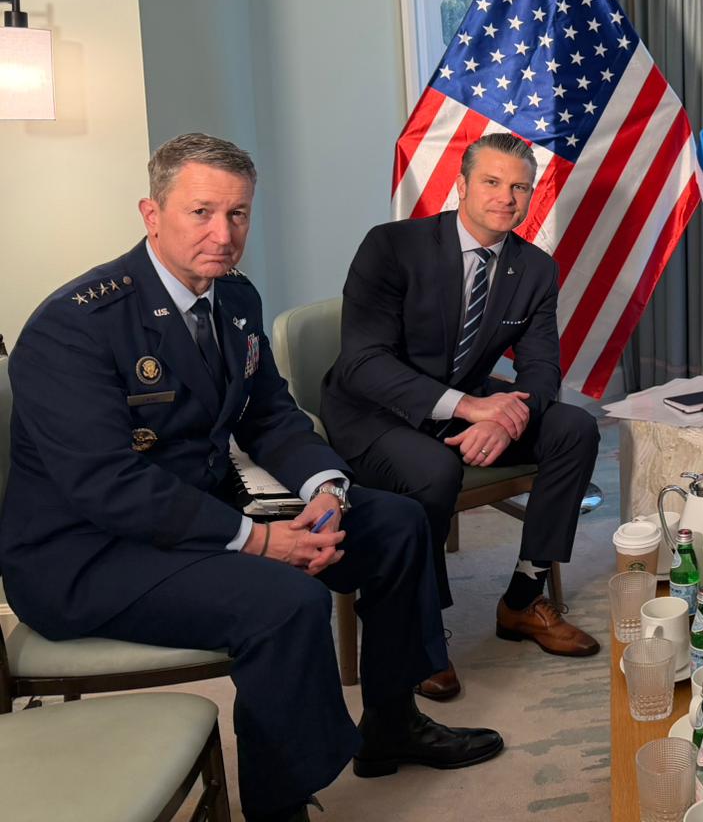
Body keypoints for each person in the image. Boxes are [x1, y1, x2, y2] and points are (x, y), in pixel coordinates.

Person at [0, 134, 502, 822]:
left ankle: (392, 722)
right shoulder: (76, 325)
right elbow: (108, 484)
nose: (223, 233)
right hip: (86, 555)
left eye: (237, 214)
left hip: (193, 517)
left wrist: (324, 489)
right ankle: (278, 805)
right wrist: (258, 541)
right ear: (151, 213)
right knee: (284, 600)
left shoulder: (233, 298)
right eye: (201, 212)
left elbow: (267, 414)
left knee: (394, 523)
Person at [322, 132, 601, 700]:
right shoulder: (391, 246)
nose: (506, 198)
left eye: (519, 187)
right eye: (492, 182)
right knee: (435, 471)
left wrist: (502, 420)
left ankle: (523, 598)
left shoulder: (535, 269)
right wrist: (473, 408)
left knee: (574, 428)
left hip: (466, 402)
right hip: (374, 409)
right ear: (462, 185)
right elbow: (364, 362)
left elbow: (542, 368)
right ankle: (418, 631)